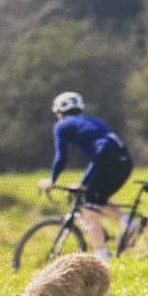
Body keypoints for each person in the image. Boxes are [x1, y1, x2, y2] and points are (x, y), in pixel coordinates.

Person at [37, 91, 133, 263]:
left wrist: (52, 180)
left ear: (60, 112)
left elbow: (61, 158)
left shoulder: (62, 126)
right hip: (124, 161)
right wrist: (84, 182)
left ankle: (103, 257)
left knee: (88, 207)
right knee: (95, 198)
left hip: (105, 159)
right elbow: (101, 153)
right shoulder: (93, 121)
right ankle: (127, 221)